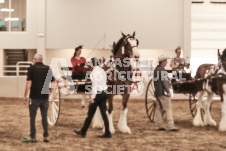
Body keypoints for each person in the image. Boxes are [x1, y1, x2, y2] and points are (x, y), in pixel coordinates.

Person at [73, 58, 112, 138]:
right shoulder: (102, 71)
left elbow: (95, 86)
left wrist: (93, 98)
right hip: (104, 93)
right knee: (104, 114)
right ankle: (108, 133)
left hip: (98, 94)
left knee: (90, 114)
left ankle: (83, 131)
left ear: (91, 64)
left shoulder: (93, 73)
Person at [24, 54, 55, 143]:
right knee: (44, 116)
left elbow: (29, 83)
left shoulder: (31, 68)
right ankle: (46, 136)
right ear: (41, 60)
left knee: (32, 117)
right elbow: (53, 82)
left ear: (35, 60)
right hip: (45, 96)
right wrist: (50, 93)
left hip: (34, 96)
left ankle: (33, 137)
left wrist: (25, 95)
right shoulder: (48, 68)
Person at [153, 55, 179, 132]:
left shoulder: (156, 70)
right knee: (168, 109)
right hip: (163, 93)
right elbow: (164, 82)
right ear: (163, 61)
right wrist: (168, 91)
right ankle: (171, 126)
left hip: (157, 92)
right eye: (166, 61)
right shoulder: (162, 71)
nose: (167, 62)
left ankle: (158, 125)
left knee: (158, 109)